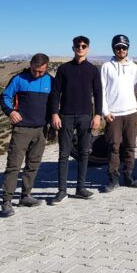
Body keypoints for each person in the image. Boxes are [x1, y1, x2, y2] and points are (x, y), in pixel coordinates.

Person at [49, 36, 103, 204]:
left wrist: (97, 115)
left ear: (88, 48)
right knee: (64, 154)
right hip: (65, 116)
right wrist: (54, 113)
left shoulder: (93, 70)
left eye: (83, 46)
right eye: (77, 45)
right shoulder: (63, 69)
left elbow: (98, 93)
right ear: (73, 48)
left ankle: (80, 188)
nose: (80, 48)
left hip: (86, 116)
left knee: (84, 152)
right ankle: (62, 191)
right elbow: (55, 93)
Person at [0, 53, 53, 217]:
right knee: (14, 165)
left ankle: (26, 196)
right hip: (21, 130)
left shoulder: (50, 80)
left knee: (33, 164)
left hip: (41, 129)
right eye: (35, 70)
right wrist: (10, 111)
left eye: (41, 71)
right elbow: (5, 96)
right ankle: (6, 201)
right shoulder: (18, 79)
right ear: (30, 65)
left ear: (47, 68)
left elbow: (55, 102)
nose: (37, 74)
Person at [100, 34, 137, 192]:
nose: (121, 50)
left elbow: (134, 86)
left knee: (130, 146)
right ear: (113, 49)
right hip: (113, 113)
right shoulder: (106, 67)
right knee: (114, 146)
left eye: (124, 47)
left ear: (128, 48)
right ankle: (113, 178)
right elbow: (102, 91)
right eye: (118, 47)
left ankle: (128, 175)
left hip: (130, 112)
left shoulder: (134, 67)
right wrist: (105, 111)